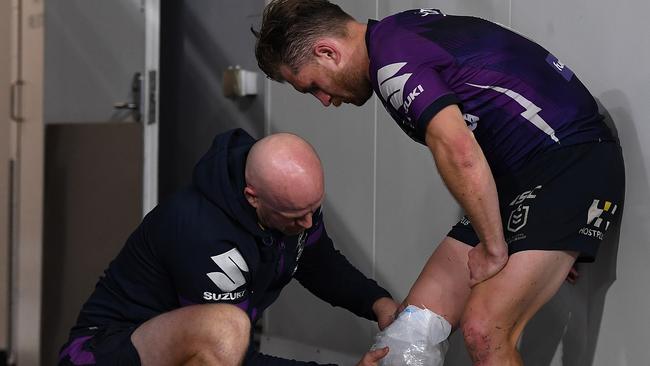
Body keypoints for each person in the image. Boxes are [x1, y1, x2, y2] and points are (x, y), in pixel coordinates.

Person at [253, 1, 625, 365]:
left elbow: (460, 153)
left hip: (571, 157)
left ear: (328, 52)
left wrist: (499, 249)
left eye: (312, 86)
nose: (323, 100)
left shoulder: (392, 64)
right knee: (405, 338)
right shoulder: (394, 34)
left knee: (484, 330)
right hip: (523, 176)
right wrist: (539, 235)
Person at [59, 128, 398, 366]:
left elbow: (316, 261)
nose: (308, 223)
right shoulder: (203, 232)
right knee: (227, 328)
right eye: (296, 215)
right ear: (253, 197)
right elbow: (232, 356)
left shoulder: (288, 203)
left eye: (314, 208)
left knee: (229, 329)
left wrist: (377, 302)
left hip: (186, 350)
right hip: (105, 351)